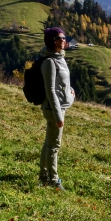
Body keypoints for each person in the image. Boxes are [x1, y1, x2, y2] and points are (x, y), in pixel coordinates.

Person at [39, 27, 75, 190]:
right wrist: (58, 115)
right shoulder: (49, 62)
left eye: (63, 37)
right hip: (54, 109)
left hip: (59, 107)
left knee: (49, 142)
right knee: (54, 145)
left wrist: (69, 91)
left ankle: (44, 175)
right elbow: (51, 90)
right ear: (51, 42)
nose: (62, 40)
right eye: (58, 38)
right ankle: (53, 180)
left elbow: (61, 84)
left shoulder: (59, 57)